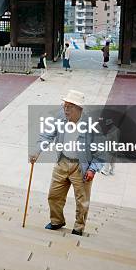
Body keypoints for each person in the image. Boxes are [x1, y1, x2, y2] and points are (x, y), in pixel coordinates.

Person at [29, 90, 104, 236]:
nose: (66, 109)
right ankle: (57, 221)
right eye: (65, 105)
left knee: (82, 201)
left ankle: (78, 227)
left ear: (79, 109)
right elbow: (47, 135)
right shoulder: (60, 117)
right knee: (54, 195)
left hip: (81, 167)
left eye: (70, 106)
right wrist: (37, 151)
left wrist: (93, 169)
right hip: (62, 162)